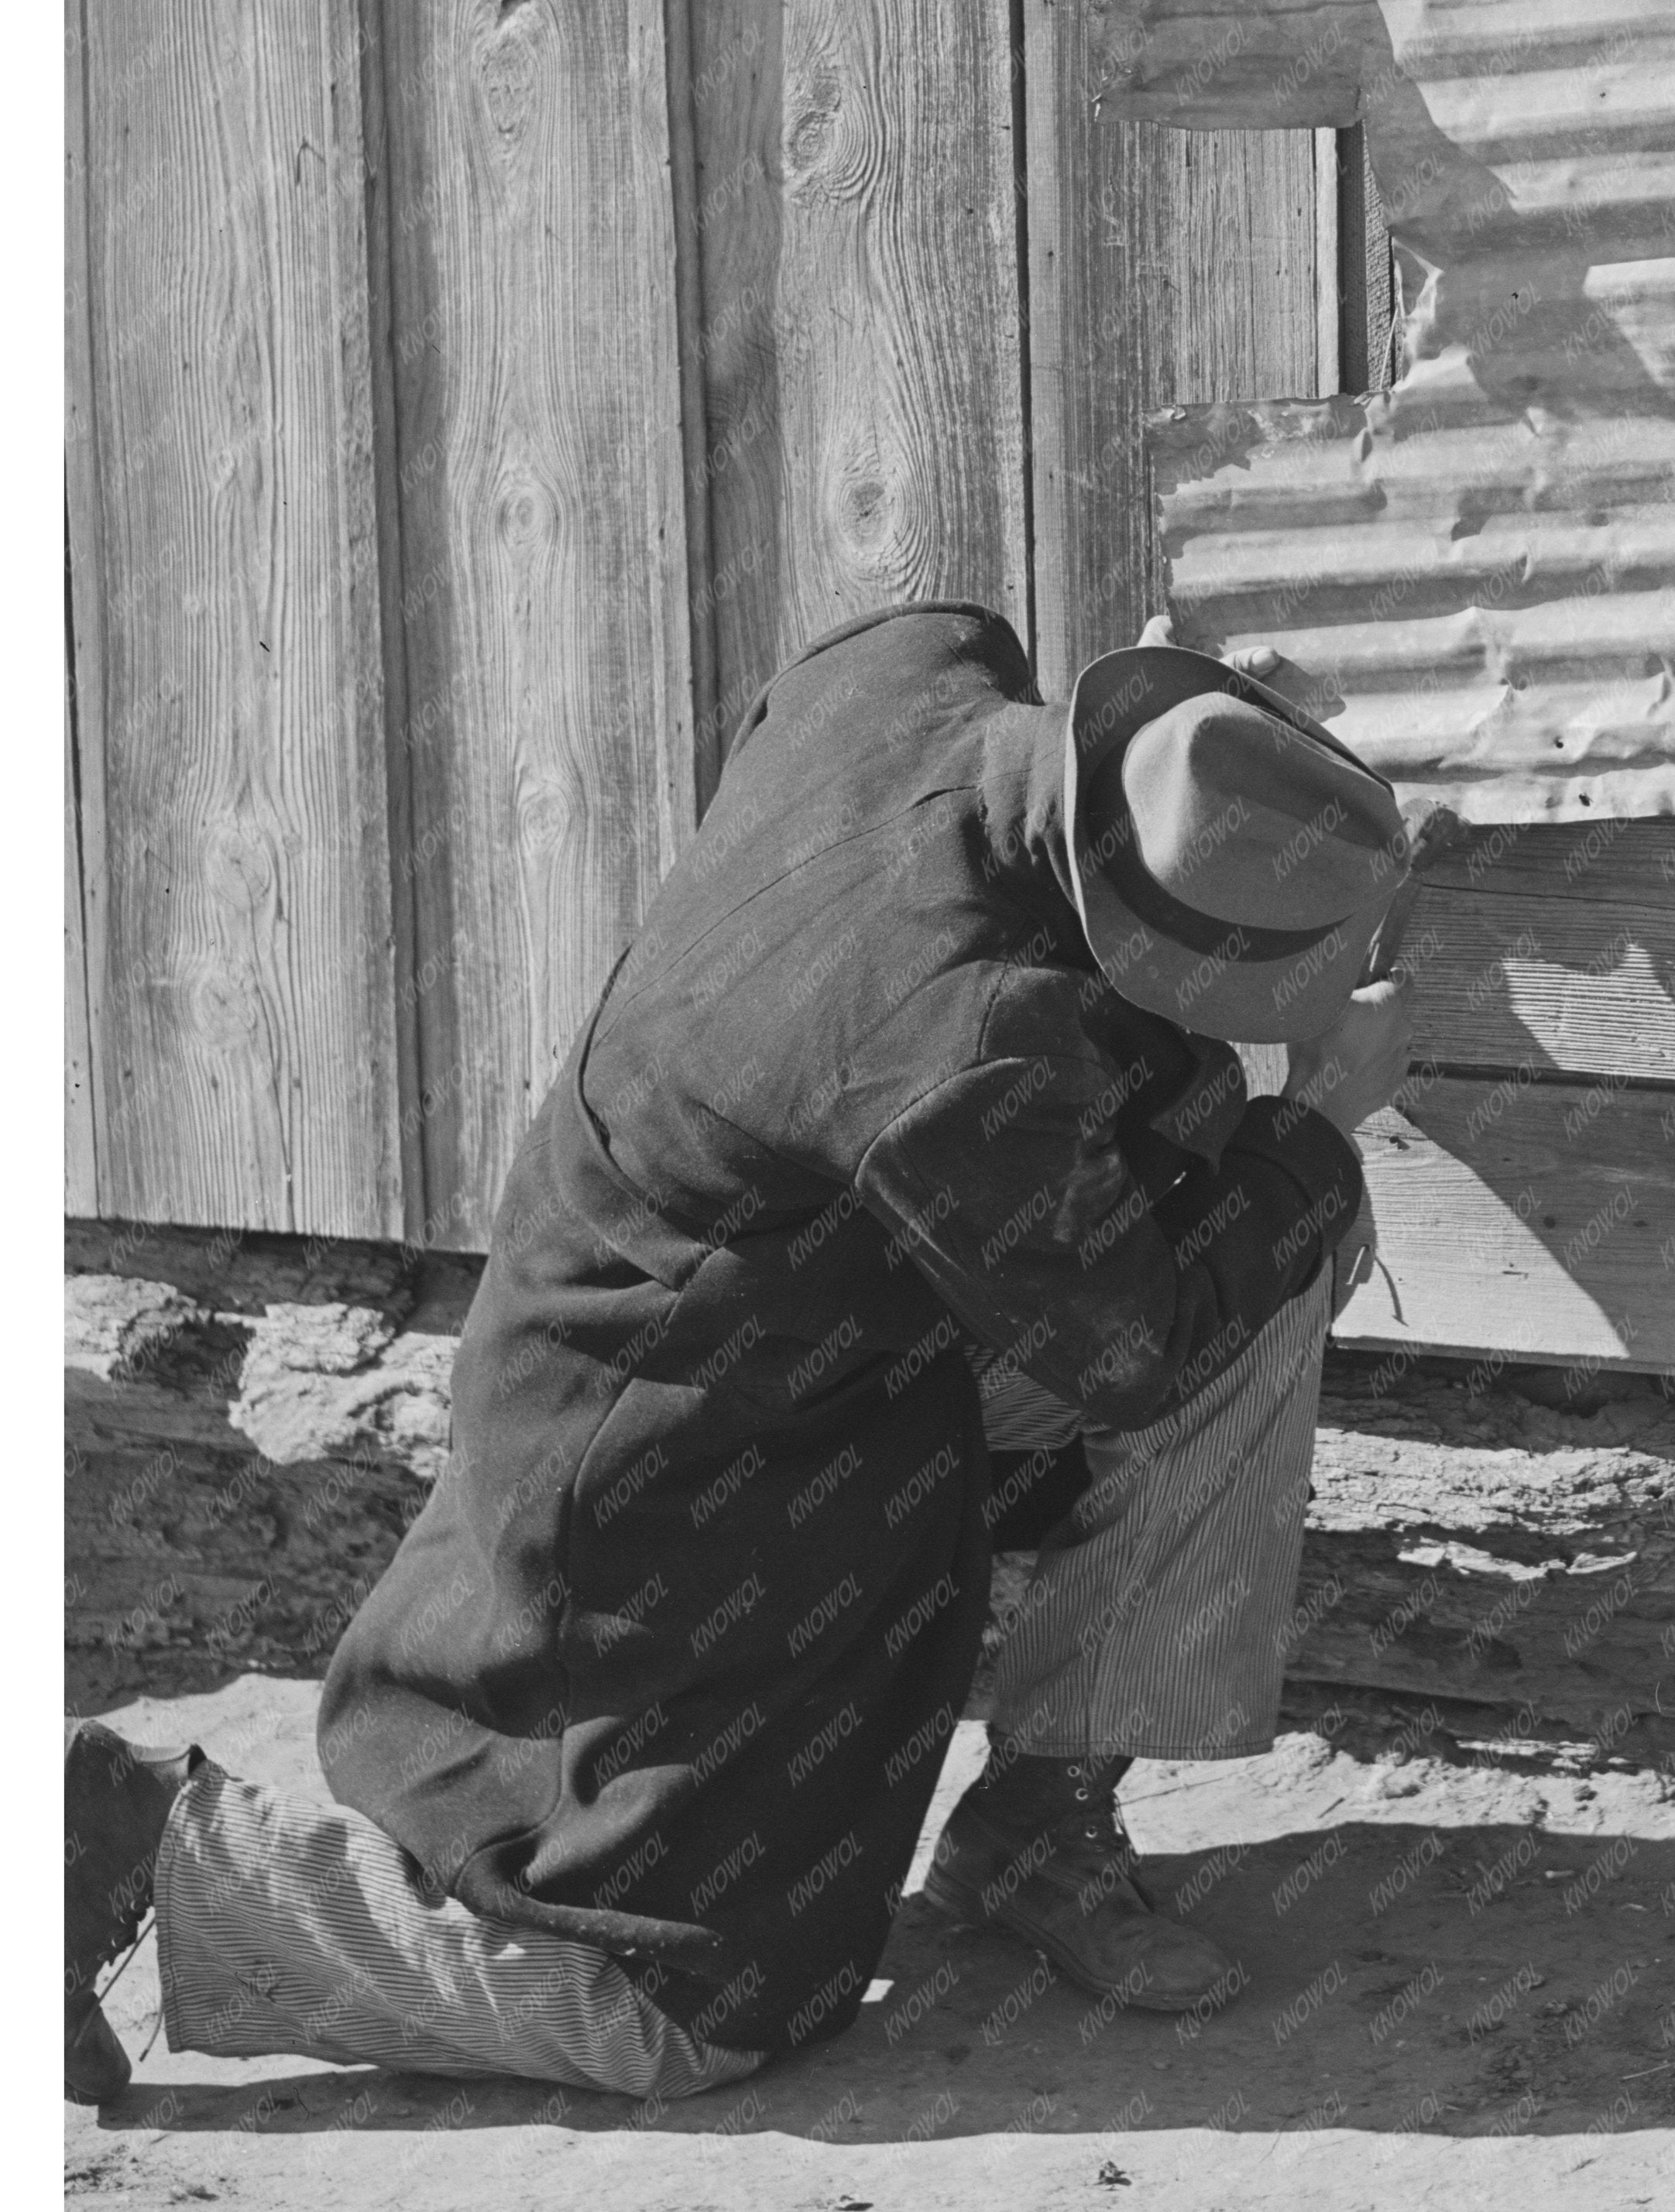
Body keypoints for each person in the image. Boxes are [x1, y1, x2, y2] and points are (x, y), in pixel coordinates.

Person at [63, 602, 1420, 2106]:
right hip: (682, 1446)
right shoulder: (963, 1054)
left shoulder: (918, 671)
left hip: (716, 1312)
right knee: (689, 2001)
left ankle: (1041, 1815)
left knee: (1262, 1269)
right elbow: (1134, 1342)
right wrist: (1312, 1123)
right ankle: (136, 1844)